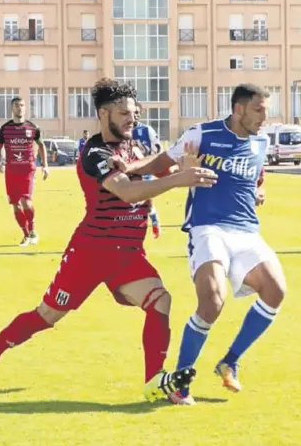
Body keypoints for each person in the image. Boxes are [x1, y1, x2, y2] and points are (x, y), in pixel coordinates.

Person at [0, 78, 218, 402]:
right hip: (90, 253)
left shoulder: (136, 145)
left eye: (135, 112)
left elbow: (156, 175)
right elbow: (127, 191)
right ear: (104, 114)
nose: (132, 119)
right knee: (46, 316)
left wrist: (183, 169)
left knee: (160, 300)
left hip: (128, 254)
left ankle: (154, 382)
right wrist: (179, 178)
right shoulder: (95, 152)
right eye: (124, 113)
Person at [121, 84, 283, 405]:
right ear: (239, 110)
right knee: (212, 301)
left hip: (246, 231)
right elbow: (162, 163)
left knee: (276, 290)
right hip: (207, 228)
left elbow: (253, 178)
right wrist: (127, 170)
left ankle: (230, 361)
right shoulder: (203, 134)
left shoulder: (261, 141)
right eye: (259, 110)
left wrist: (257, 192)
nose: (265, 117)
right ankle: (180, 382)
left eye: (266, 110)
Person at [0, 97, 50, 246]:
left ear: (25, 108)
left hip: (27, 169)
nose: (20, 108)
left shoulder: (32, 128)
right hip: (11, 171)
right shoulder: (4, 129)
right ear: (12, 108)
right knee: (15, 204)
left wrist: (45, 165)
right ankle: (26, 235)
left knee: (25, 201)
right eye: (17, 106)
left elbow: (41, 145)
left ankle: (33, 231)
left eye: (22, 105)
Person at [132, 102, 163, 238]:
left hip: (146, 171)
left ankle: (154, 223)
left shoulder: (147, 130)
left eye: (138, 112)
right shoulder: (121, 131)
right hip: (128, 173)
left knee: (146, 201)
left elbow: (157, 150)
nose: (135, 115)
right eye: (133, 112)